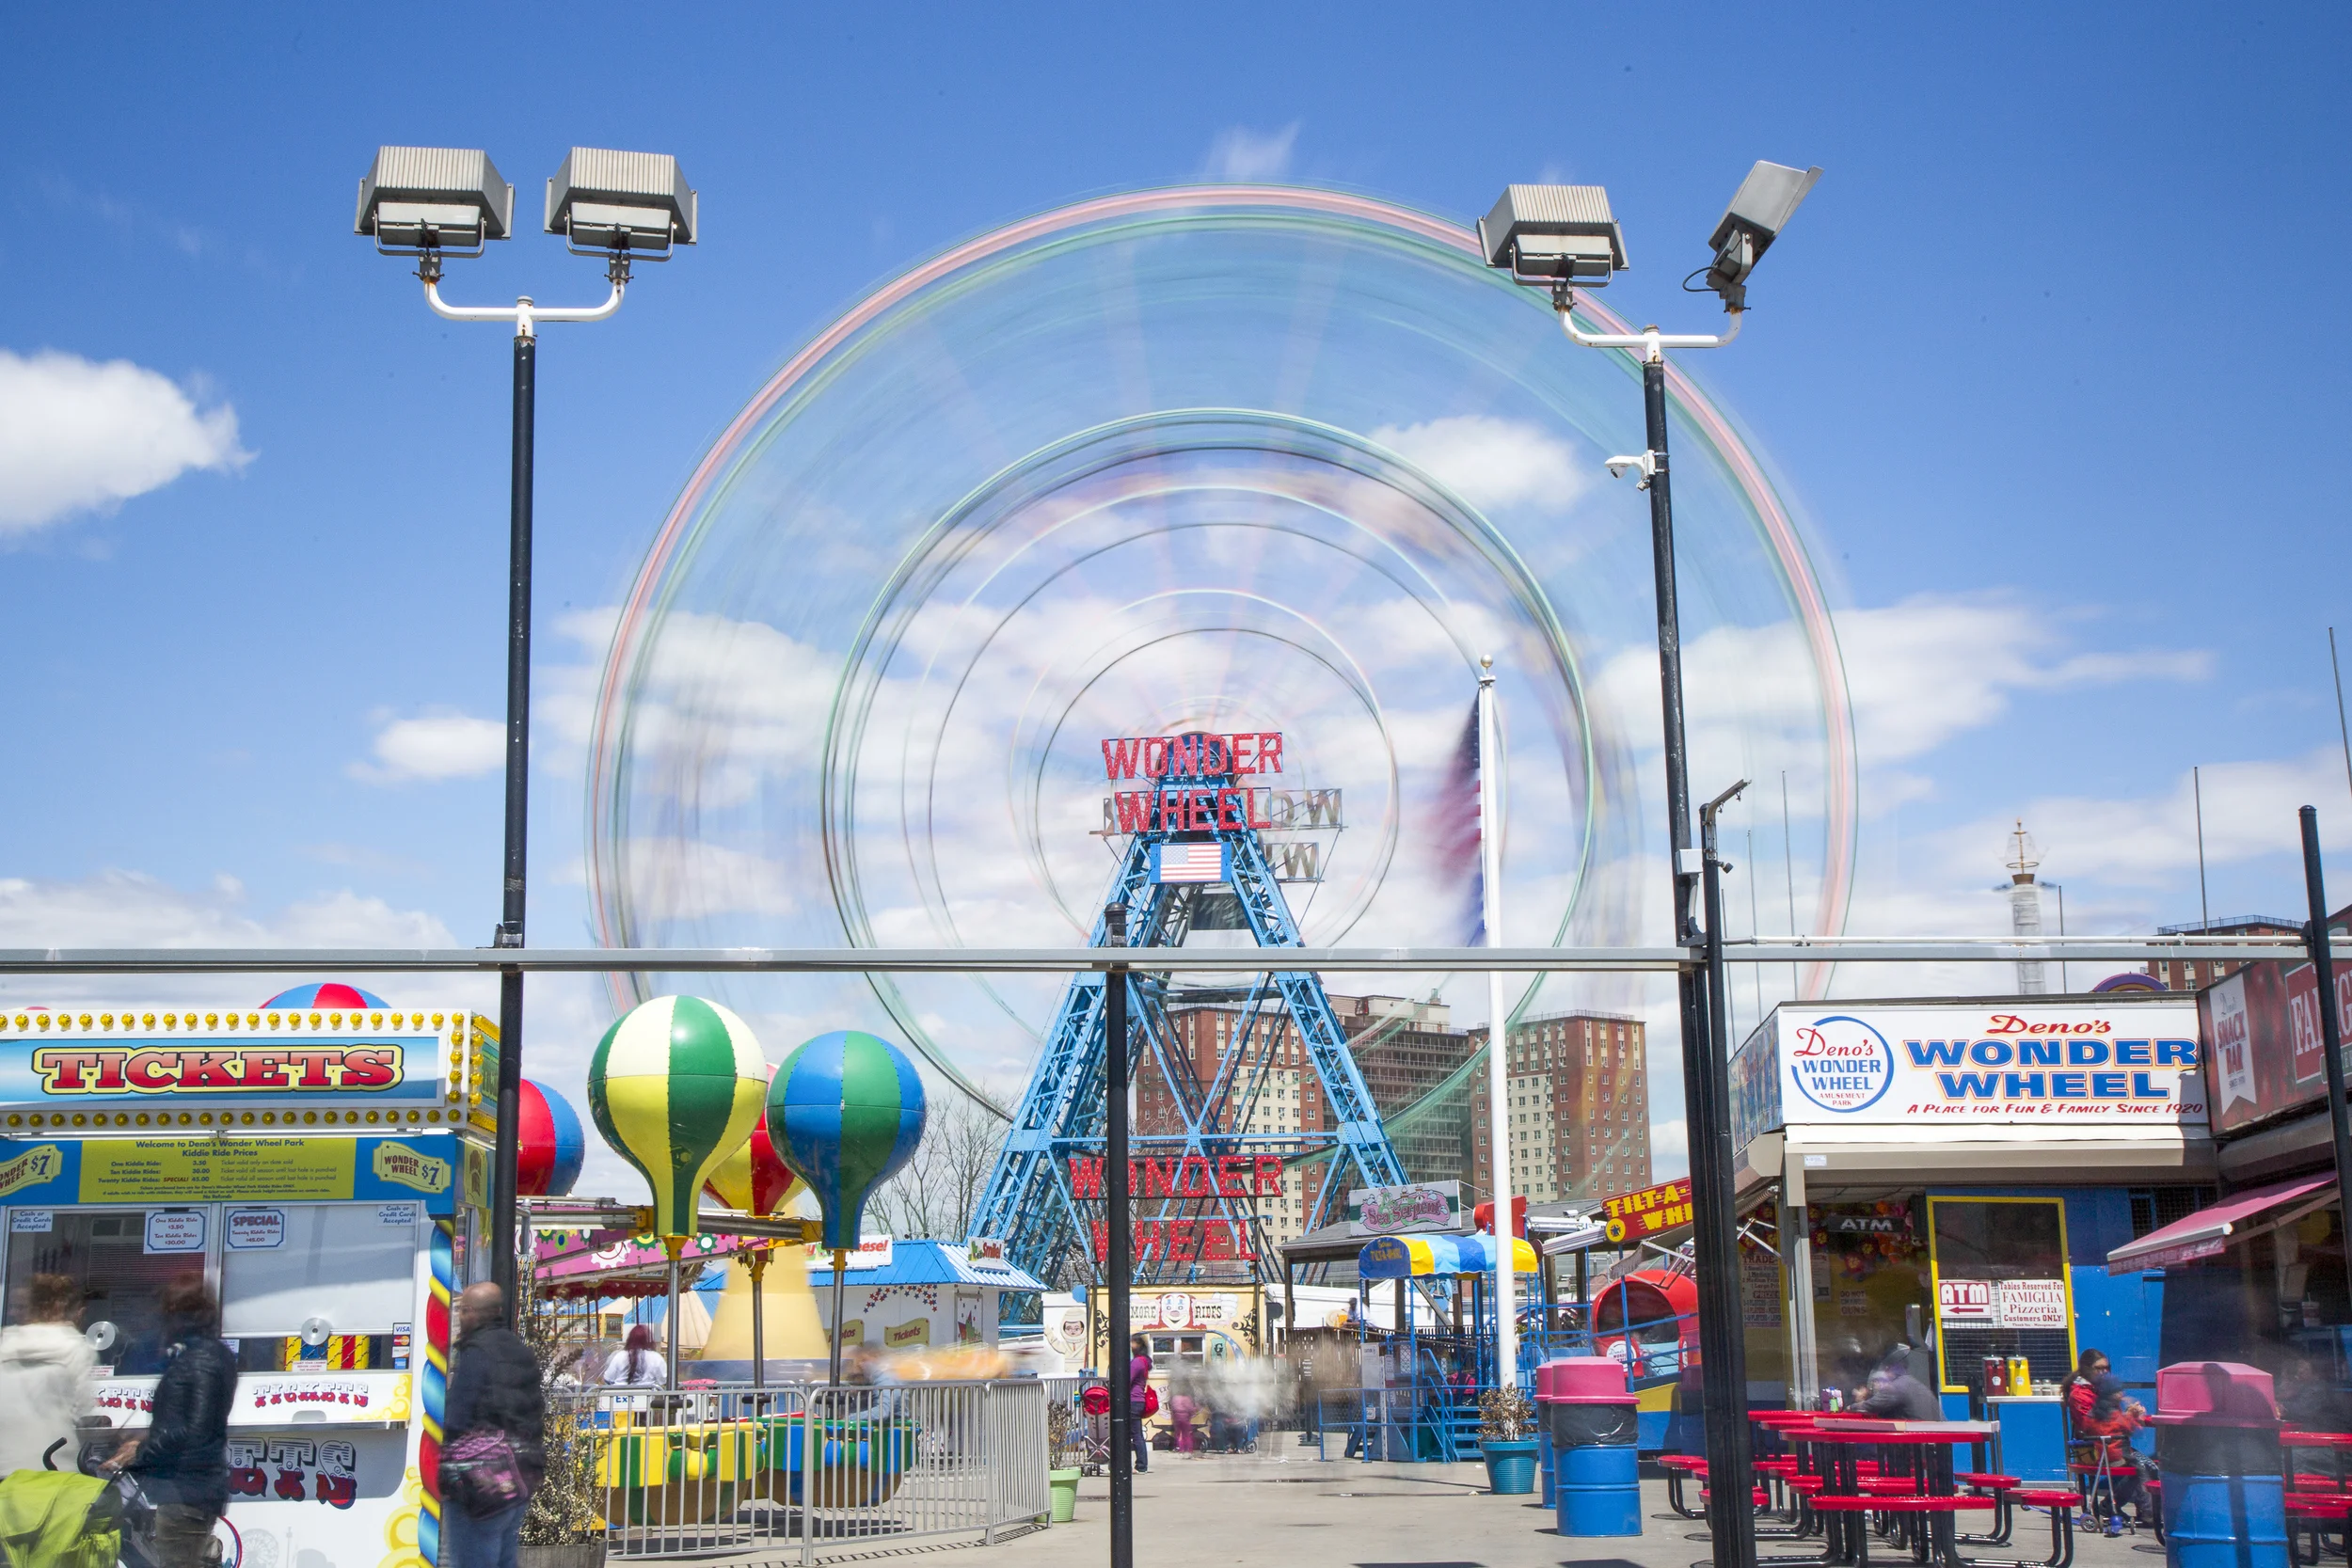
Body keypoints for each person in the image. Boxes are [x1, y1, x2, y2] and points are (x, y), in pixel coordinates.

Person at [110, 1275, 237, 1568]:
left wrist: (141, 1453)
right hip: (192, 1485)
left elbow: (196, 1429)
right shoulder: (205, 1355)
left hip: (187, 1488)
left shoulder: (201, 1359)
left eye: (166, 1312)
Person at [442, 1284, 546, 1568]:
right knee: (504, 1558)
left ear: (470, 1313)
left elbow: (458, 1416)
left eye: (463, 1310)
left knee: (473, 1558)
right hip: (519, 1475)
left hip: (480, 1480)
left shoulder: (476, 1352)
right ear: (498, 1312)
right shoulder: (520, 1350)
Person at [0, 1273, 95, 1478]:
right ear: (60, 1307)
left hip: (5, 1466)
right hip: (53, 1465)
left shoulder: (4, 1343)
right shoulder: (74, 1346)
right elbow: (83, 1410)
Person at [2063, 1349, 2150, 1534]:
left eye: (2106, 1368)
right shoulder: (2079, 1394)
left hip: (2114, 1445)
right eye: (2098, 1368)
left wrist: (2131, 1415)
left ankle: (2141, 1511)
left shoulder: (2105, 1390)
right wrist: (2128, 1417)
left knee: (2150, 1465)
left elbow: (2117, 1424)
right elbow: (2096, 1427)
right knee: (2141, 1467)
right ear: (2086, 1369)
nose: (2103, 1372)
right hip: (2093, 1448)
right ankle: (2137, 1512)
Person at [1849, 1343, 1942, 1420]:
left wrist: (1850, 1407)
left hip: (1924, 1440)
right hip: (1935, 1438)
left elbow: (1871, 1406)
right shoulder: (1910, 1383)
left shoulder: (1896, 1387)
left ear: (1888, 1368)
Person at [601, 1323, 667, 1387]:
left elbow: (608, 1378)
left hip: (620, 1396)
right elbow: (664, 1379)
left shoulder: (620, 1356)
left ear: (630, 1339)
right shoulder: (655, 1357)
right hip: (647, 1396)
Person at [1125, 1335, 1152, 1474]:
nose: (1129, 1345)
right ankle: (1141, 1464)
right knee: (1136, 1434)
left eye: (1131, 1343)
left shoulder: (1137, 1362)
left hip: (1132, 1400)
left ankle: (1141, 1465)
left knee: (1134, 1434)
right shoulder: (1143, 1361)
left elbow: (1126, 1379)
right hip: (1138, 1400)